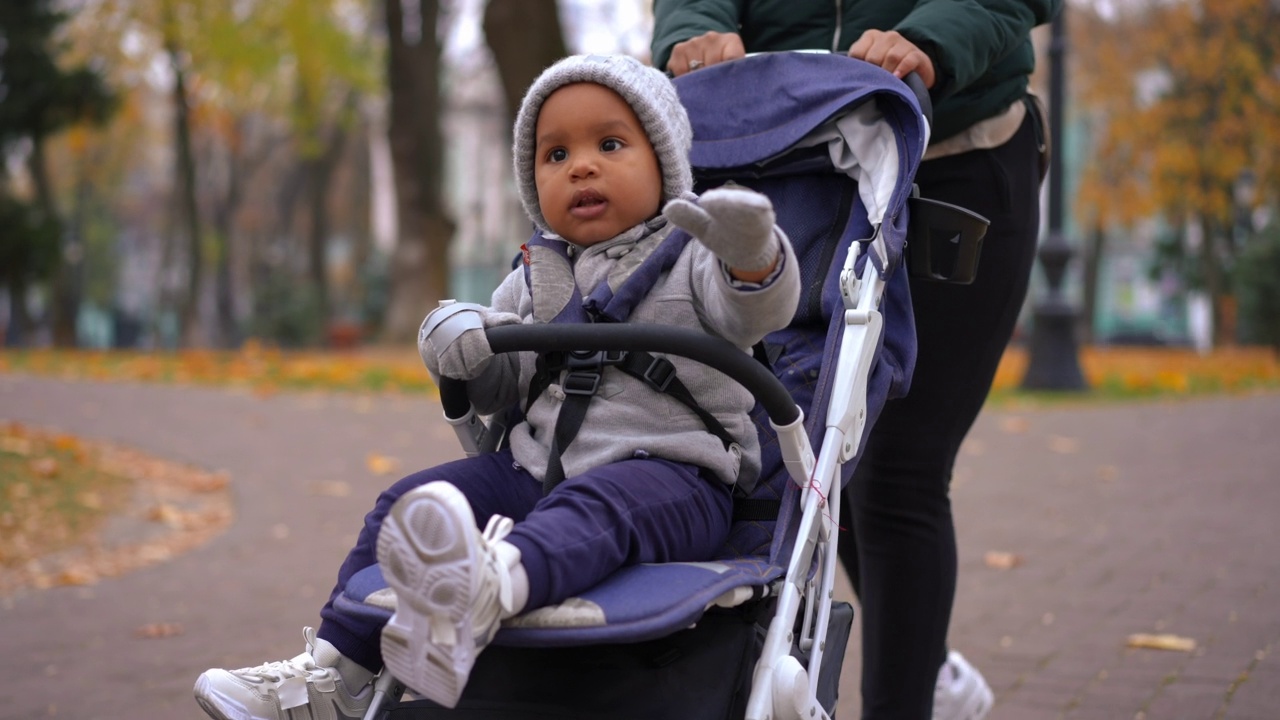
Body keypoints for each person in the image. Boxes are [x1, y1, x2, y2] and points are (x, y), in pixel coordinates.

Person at [192, 53, 800, 720]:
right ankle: (335, 677)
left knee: (601, 504)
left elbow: (756, 310)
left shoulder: (693, 259)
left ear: (666, 165)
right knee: (411, 499)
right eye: (556, 153)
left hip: (675, 482)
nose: (581, 166)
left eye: (610, 144)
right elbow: (499, 387)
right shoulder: (536, 275)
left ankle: (486, 590)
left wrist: (753, 256)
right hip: (538, 475)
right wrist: (460, 348)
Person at [652, 2, 1059, 719]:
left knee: (898, 478)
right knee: (806, 461)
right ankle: (924, 667)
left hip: (956, 159)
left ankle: (907, 694)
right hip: (793, 166)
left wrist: (928, 41)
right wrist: (692, 33)